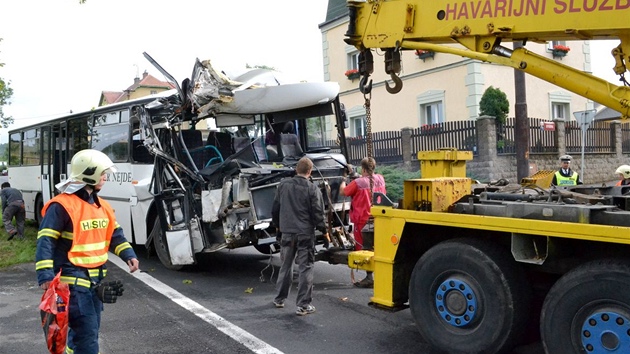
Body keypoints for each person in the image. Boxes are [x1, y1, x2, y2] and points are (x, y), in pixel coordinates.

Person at [35, 149, 140, 354]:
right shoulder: (62, 206)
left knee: (85, 334)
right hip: (73, 284)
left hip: (93, 283)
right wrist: (45, 276)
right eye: (102, 172)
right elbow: (45, 241)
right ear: (88, 173)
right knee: (87, 337)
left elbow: (115, 235)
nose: (105, 176)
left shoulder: (103, 206)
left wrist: (129, 255)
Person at [272, 156, 327, 316]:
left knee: (286, 265)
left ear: (296, 169)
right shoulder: (312, 188)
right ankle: (303, 305)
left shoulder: (282, 185)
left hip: (287, 232)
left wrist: (277, 226)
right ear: (309, 172)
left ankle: (279, 299)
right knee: (306, 267)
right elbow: (318, 212)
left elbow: (275, 208)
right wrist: (324, 231)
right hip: (304, 234)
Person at [340, 157, 386, 288]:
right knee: (376, 247)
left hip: (362, 221)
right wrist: (356, 175)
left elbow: (343, 191)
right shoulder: (380, 178)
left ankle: (369, 277)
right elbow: (368, 180)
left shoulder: (358, 183)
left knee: (363, 248)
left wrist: (343, 180)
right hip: (378, 218)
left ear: (363, 169)